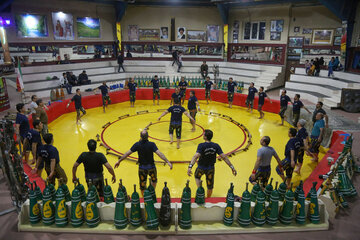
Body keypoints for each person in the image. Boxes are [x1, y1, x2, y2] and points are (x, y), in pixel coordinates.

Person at [114, 130, 172, 195]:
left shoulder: (137, 144)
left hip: (142, 168)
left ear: (140, 137)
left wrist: (119, 161)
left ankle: (144, 197)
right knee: (154, 180)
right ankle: (152, 193)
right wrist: (167, 161)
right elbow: (160, 154)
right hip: (151, 167)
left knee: (142, 184)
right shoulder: (152, 144)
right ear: (148, 136)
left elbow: (127, 153)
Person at [187, 129, 237, 198]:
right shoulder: (216, 146)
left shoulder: (201, 145)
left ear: (205, 137)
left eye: (203, 134)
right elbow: (224, 157)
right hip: (210, 169)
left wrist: (190, 167)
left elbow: (196, 156)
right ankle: (208, 199)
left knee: (197, 176)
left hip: (201, 167)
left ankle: (200, 189)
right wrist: (232, 167)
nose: (202, 135)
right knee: (210, 186)